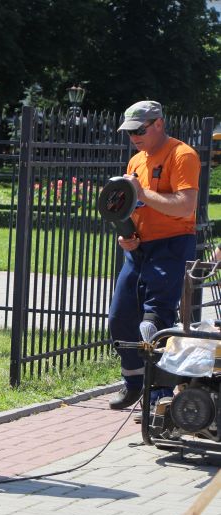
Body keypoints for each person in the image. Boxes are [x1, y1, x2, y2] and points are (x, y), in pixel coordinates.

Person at [108, 100, 199, 412]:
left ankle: (159, 394)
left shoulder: (182, 155)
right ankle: (134, 383)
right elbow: (129, 207)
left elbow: (186, 206)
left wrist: (143, 193)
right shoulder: (136, 162)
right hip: (140, 250)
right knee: (120, 319)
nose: (134, 136)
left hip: (172, 246)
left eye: (139, 130)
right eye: (129, 132)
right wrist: (126, 233)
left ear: (158, 123)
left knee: (154, 322)